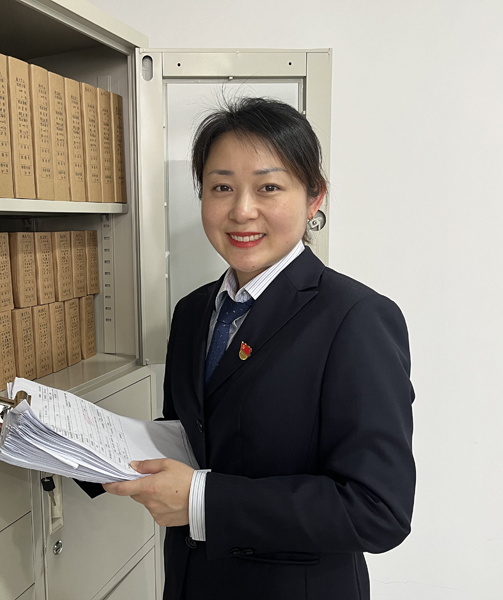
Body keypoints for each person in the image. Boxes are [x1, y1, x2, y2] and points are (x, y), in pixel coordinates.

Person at [102, 97, 415, 600]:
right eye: (221, 187)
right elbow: (193, 436)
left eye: (269, 187)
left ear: (314, 197)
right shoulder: (193, 312)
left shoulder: (355, 318)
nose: (241, 210)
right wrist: (81, 446)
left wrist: (203, 500)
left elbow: (378, 510)